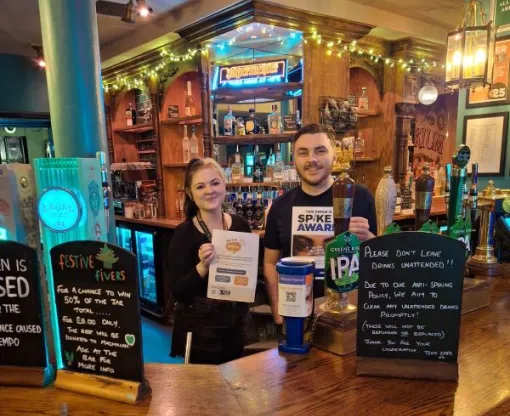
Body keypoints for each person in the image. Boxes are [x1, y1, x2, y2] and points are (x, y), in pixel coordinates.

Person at [264, 124, 377, 324]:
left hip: (349, 314)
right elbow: (270, 263)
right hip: (297, 316)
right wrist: (278, 313)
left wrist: (366, 238)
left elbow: (377, 258)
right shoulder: (280, 207)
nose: (312, 160)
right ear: (294, 160)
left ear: (334, 156)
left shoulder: (359, 197)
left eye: (320, 150)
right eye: (303, 153)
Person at [167, 157, 252, 364]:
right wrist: (203, 266)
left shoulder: (240, 225)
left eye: (215, 183)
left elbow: (249, 274)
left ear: (224, 185)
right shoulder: (183, 234)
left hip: (238, 325)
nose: (209, 190)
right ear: (190, 193)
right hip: (202, 329)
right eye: (200, 186)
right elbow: (178, 291)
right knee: (206, 390)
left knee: (239, 387)